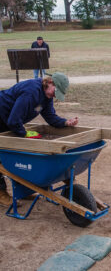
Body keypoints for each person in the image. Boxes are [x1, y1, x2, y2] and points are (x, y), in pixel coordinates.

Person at [0, 72, 78, 206]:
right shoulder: (31, 92)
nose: (54, 96)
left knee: (19, 153)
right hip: (2, 117)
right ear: (50, 83)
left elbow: (50, 117)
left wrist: (66, 123)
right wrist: (25, 134)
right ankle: (1, 192)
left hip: (9, 120)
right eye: (55, 91)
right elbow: (14, 121)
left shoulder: (46, 96)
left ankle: (23, 190)